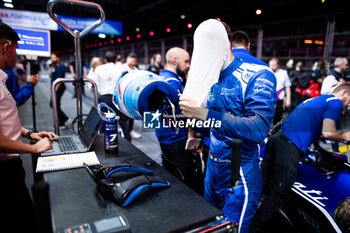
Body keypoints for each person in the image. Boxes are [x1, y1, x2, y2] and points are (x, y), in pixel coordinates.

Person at [179, 19, 276, 233]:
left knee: (231, 229)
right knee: (210, 224)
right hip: (213, 165)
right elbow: (207, 121)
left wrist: (202, 113)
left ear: (226, 43)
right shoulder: (208, 80)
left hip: (238, 170)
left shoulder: (258, 74)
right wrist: (191, 126)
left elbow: (259, 128)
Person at [250, 84, 350, 232]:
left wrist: (339, 134)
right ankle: (254, 228)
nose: (348, 105)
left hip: (278, 139)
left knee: (261, 184)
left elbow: (321, 132)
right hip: (290, 145)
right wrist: (345, 136)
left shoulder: (318, 100)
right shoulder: (335, 102)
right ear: (344, 92)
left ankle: (242, 218)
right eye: (349, 101)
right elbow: (328, 132)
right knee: (279, 193)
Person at [0, 22, 58, 233]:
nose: (16, 54)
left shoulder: (2, 79)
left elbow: (4, 120)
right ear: (6, 47)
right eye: (15, 48)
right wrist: (34, 148)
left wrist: (30, 133)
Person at [156, 47, 196, 190]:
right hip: (176, 138)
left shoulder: (161, 77)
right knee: (184, 180)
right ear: (174, 61)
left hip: (165, 136)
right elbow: (182, 114)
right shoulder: (172, 83)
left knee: (170, 174)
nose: (188, 65)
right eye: (186, 61)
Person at [91, 51, 132, 141]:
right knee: (123, 122)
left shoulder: (99, 69)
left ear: (105, 60)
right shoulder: (120, 67)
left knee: (103, 121)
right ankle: (129, 141)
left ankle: (103, 142)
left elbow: (94, 83)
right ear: (115, 59)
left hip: (104, 98)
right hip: (117, 98)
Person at [122, 53, 142, 139]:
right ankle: (124, 130)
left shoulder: (136, 69)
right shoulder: (122, 68)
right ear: (128, 59)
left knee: (131, 113)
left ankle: (130, 130)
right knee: (123, 115)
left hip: (133, 94)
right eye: (132, 61)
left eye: (135, 61)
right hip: (123, 94)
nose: (133, 63)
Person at [49, 53, 70, 128]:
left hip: (58, 88)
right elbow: (50, 75)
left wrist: (54, 90)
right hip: (54, 87)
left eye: (54, 58)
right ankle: (61, 121)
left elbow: (59, 81)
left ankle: (63, 119)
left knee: (53, 104)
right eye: (51, 58)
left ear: (58, 58)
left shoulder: (61, 67)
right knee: (56, 104)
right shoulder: (54, 66)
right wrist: (51, 67)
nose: (52, 59)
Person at [269, 57, 292, 125]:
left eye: (273, 65)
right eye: (270, 65)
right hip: (269, 98)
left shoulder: (283, 73)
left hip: (279, 99)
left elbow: (287, 87)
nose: (271, 67)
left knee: (278, 118)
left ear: (278, 65)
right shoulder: (267, 72)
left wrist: (288, 99)